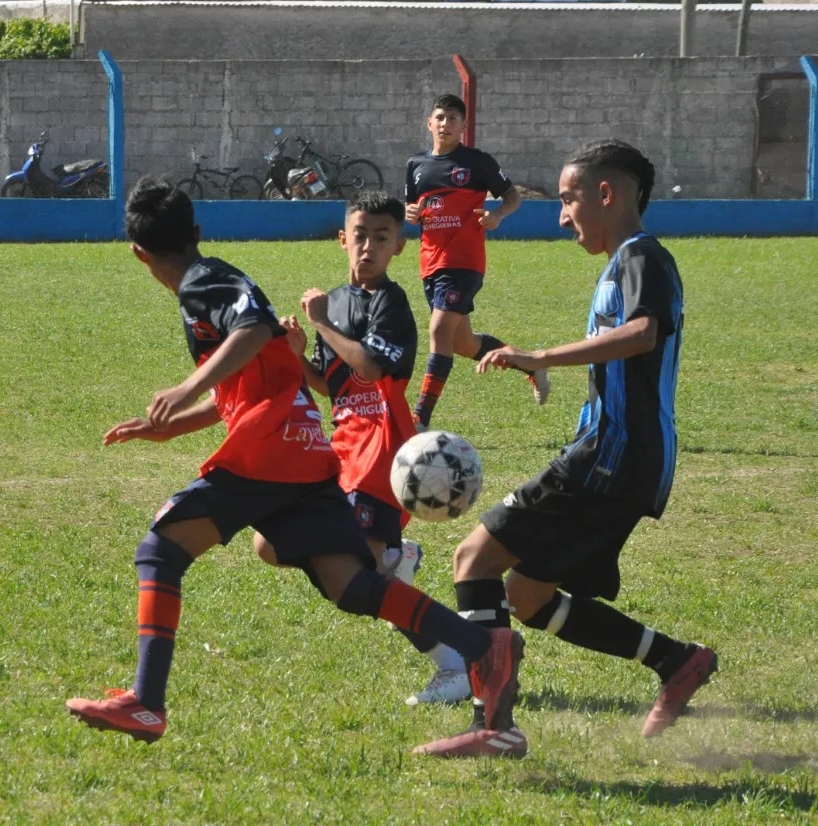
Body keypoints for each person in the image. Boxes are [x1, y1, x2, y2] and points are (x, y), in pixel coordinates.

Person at [65, 178, 522, 744]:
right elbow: (249, 375)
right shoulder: (216, 280)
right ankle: (484, 647)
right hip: (305, 452)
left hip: (270, 452)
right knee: (346, 583)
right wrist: (171, 426)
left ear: (139, 254)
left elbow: (254, 333)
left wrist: (184, 390)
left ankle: (146, 703)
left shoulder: (203, 283)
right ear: (197, 232)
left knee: (160, 548)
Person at [415, 140, 717, 759]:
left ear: (607, 194)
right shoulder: (623, 264)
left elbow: (641, 334)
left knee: (474, 559)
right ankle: (677, 661)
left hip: (612, 455)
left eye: (568, 198)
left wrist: (541, 356)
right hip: (620, 456)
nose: (561, 215)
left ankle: (493, 724)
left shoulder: (642, 257)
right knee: (527, 595)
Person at [257, 191, 471, 706]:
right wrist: (295, 356)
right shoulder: (335, 300)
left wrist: (322, 324)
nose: (368, 247)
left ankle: (455, 665)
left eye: (381, 238)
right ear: (342, 239)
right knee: (270, 545)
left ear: (399, 245)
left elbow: (371, 370)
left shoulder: (391, 305)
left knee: (360, 582)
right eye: (360, 236)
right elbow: (335, 386)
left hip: (382, 451)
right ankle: (397, 559)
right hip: (340, 445)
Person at [404, 94, 543, 430]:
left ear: (463, 126)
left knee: (438, 330)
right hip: (430, 264)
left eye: (453, 118)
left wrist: (497, 215)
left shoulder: (477, 162)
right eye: (440, 117)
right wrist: (410, 214)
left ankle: (419, 419)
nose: (445, 124)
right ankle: (531, 365)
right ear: (429, 123)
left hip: (464, 262)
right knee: (462, 344)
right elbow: (413, 210)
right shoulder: (415, 166)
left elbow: (513, 196)